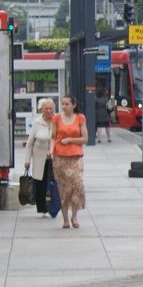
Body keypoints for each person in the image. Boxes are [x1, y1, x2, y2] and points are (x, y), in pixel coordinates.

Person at [50, 95, 87, 229]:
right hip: (60, 158)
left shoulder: (80, 118)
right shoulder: (56, 118)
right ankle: (65, 219)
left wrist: (70, 140)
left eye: (66, 104)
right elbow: (53, 137)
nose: (64, 106)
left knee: (78, 186)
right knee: (64, 190)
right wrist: (50, 150)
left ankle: (75, 215)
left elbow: (85, 138)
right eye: (62, 104)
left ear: (74, 105)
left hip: (75, 157)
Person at [23, 98, 55, 215]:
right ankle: (42, 208)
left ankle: (53, 205)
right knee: (40, 184)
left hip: (53, 159)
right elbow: (29, 143)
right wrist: (27, 161)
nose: (49, 111)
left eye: (51, 108)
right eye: (46, 108)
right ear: (42, 110)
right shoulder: (37, 122)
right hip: (39, 158)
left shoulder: (56, 121)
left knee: (52, 184)